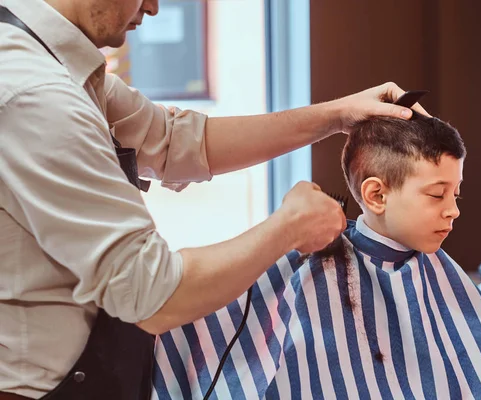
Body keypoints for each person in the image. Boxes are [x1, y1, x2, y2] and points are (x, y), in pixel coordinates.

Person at [0, 0, 427, 398]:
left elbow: (179, 142)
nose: (152, 6)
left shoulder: (61, 67)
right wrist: (289, 228)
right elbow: (150, 295)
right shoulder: (36, 93)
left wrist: (338, 115)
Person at [153, 114, 481, 399]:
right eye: (437, 194)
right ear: (376, 195)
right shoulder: (305, 266)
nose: (453, 209)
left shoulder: (438, 273)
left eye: (456, 194)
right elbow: (188, 332)